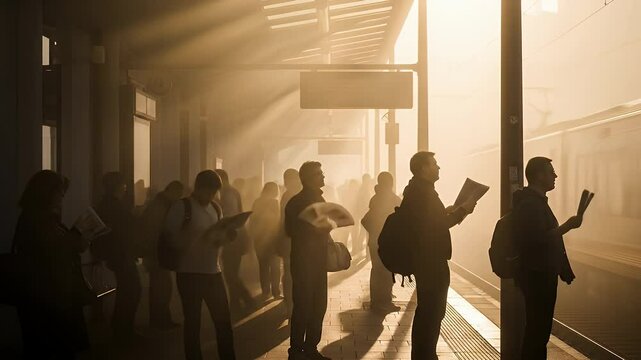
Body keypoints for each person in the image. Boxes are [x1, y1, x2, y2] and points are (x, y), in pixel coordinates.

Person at [401, 152, 475, 360]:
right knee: (432, 312)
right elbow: (435, 227)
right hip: (431, 261)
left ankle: (425, 354)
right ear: (424, 168)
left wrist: (449, 211)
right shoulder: (423, 193)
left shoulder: (419, 191)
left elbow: (430, 221)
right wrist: (463, 212)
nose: (439, 167)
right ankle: (425, 356)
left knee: (430, 311)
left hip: (428, 259)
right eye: (434, 164)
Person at [12, 170, 90, 359]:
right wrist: (77, 240)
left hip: (42, 294)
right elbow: (53, 250)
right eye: (59, 193)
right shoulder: (40, 220)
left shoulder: (34, 216)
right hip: (48, 296)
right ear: (48, 193)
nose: (61, 198)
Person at [514, 157, 583, 360]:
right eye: (550, 172)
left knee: (538, 330)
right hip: (537, 275)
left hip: (540, 273)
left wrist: (563, 269)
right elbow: (536, 240)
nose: (555, 176)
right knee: (537, 331)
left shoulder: (535, 202)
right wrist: (566, 227)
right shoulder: (531, 205)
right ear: (538, 176)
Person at [164, 170, 237, 360]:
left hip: (213, 271)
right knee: (193, 322)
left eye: (215, 192)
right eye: (209, 191)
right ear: (198, 188)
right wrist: (195, 240)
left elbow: (218, 237)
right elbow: (169, 237)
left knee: (223, 321)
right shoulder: (182, 207)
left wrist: (226, 236)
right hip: (189, 273)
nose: (212, 196)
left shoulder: (215, 208)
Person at [285, 161, 332, 360]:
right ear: (307, 178)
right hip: (305, 262)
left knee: (316, 305)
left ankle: (307, 348)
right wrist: (319, 228)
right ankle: (299, 349)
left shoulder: (313, 200)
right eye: (318, 174)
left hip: (315, 261)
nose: (323, 177)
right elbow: (292, 230)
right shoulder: (298, 202)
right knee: (306, 306)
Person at [95, 172, 142, 344]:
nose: (125, 188)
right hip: (121, 254)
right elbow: (122, 229)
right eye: (123, 184)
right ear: (118, 186)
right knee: (131, 291)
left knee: (128, 291)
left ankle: (122, 328)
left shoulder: (107, 204)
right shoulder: (113, 206)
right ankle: (123, 330)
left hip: (119, 253)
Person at [140, 180, 184, 329]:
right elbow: (154, 232)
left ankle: (160, 319)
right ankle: (160, 320)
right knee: (162, 287)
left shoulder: (158, 203)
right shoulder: (161, 206)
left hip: (156, 253)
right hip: (157, 254)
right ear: (173, 192)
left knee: (161, 287)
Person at [215, 169, 255, 312]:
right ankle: (236, 301)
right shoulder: (233, 192)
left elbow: (229, 216)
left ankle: (246, 299)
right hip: (237, 236)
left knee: (230, 272)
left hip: (232, 237)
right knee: (232, 271)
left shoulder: (225, 194)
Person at [361, 172, 401, 313]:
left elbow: (367, 220)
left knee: (377, 270)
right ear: (391, 183)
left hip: (374, 240)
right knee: (386, 271)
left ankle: (377, 301)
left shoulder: (375, 198)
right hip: (387, 242)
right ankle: (385, 302)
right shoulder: (392, 198)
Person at [249, 182, 282, 300]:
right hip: (272, 238)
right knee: (275, 267)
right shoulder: (274, 202)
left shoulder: (257, 202)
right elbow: (278, 220)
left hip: (259, 239)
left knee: (263, 266)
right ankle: (276, 292)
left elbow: (252, 220)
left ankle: (265, 291)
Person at [278, 168, 302, 319]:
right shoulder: (295, 195)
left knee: (289, 273)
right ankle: (291, 304)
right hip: (294, 240)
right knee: (291, 273)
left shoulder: (287, 196)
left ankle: (290, 304)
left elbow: (282, 220)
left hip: (289, 239)